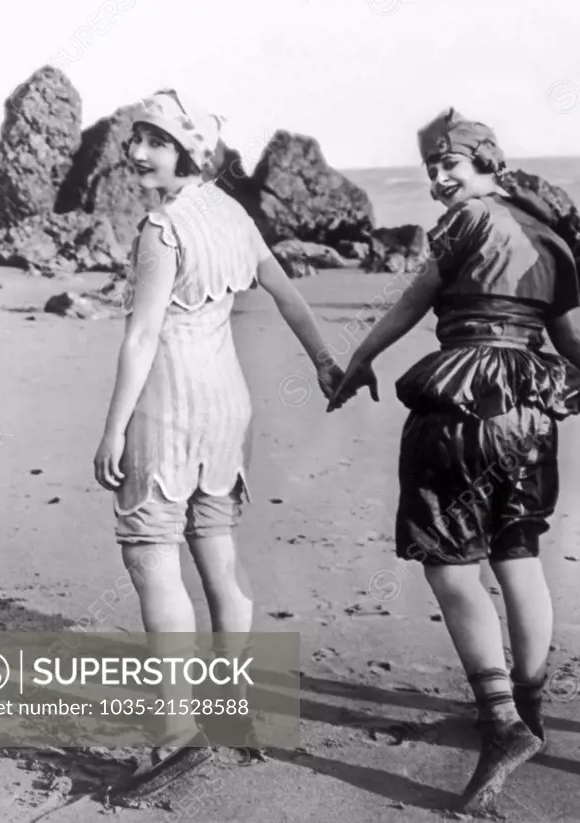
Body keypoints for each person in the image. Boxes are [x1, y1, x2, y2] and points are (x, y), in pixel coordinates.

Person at [327, 108, 580, 813]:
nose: (439, 178)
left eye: (450, 163)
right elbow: (566, 338)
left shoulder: (467, 218)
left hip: (464, 401)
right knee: (517, 554)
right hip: (534, 409)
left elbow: (413, 301)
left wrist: (358, 359)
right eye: (432, 168)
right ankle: (532, 712)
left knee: (448, 561)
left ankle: (502, 722)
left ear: (488, 163)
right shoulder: (549, 237)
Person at [93, 89, 342, 778]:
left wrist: (112, 429)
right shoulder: (233, 213)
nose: (137, 152)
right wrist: (324, 360)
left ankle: (176, 732)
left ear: (189, 150)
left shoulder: (160, 227)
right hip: (228, 406)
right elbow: (287, 292)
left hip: (167, 407)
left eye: (157, 140)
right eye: (137, 137)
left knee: (153, 559)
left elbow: (143, 334)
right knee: (217, 548)